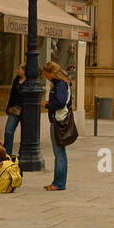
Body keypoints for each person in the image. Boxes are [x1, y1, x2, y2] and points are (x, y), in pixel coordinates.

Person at [42, 61, 70, 191]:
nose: (45, 77)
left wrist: (47, 104)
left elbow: (60, 103)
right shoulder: (59, 84)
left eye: (45, 74)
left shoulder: (60, 85)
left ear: (50, 73)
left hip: (58, 121)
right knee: (59, 152)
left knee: (59, 153)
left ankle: (59, 183)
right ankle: (57, 182)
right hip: (57, 120)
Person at [3, 63, 28, 155]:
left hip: (25, 111)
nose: (17, 70)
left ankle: (23, 153)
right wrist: (8, 107)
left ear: (25, 71)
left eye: (19, 69)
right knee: (8, 131)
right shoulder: (16, 80)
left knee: (25, 133)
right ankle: (7, 153)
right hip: (15, 109)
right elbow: (12, 95)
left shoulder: (30, 82)